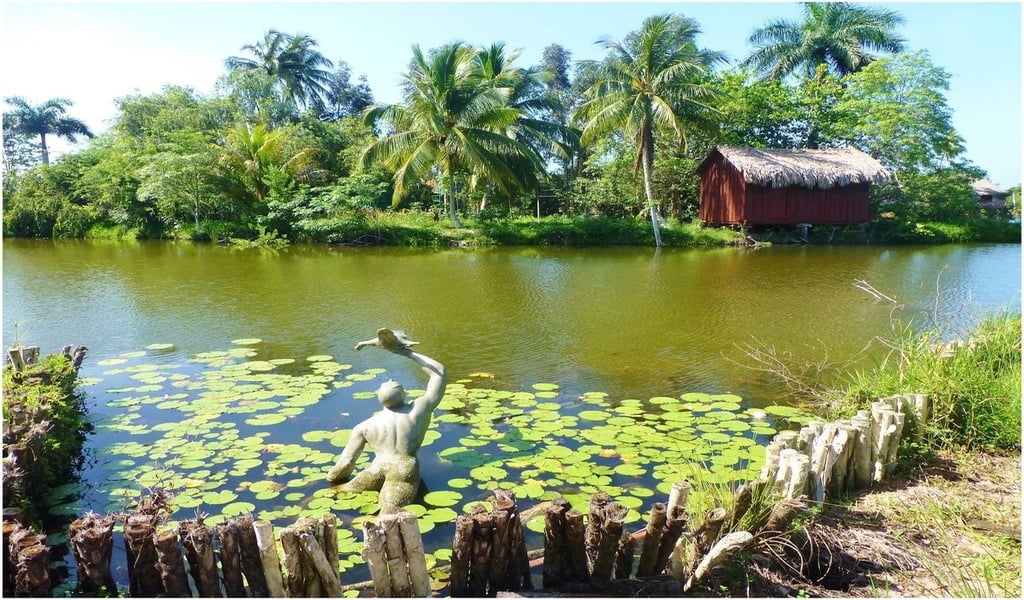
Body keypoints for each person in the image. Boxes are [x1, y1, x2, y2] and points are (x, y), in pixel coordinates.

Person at [326, 329, 447, 509]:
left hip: (376, 468)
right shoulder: (417, 410)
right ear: (404, 394)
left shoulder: (365, 426)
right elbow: (439, 372)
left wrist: (331, 479)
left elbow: (346, 463)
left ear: (379, 398)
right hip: (403, 470)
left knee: (338, 492)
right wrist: (407, 352)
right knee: (390, 511)